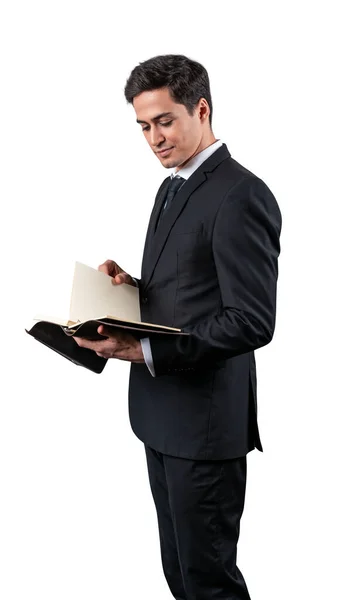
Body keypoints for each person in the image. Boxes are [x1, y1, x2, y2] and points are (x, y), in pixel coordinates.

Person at [74, 54, 281, 600]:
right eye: (143, 126)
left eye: (165, 121)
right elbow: (190, 286)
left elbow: (251, 320)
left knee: (209, 583)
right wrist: (129, 290)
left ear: (201, 109)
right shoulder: (172, 186)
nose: (154, 139)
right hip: (162, 418)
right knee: (181, 577)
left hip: (205, 428)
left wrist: (144, 351)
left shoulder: (241, 195)